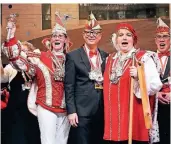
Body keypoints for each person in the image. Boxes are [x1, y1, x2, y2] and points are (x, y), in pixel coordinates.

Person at [1, 12, 72, 144]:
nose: (57, 38)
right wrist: (11, 33)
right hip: (46, 106)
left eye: (60, 36)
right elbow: (17, 60)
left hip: (66, 109)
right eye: (54, 35)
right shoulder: (40, 57)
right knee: (48, 141)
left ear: (66, 40)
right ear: (50, 40)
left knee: (62, 142)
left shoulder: (71, 59)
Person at [103, 23, 163, 144]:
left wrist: (139, 76)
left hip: (134, 119)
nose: (124, 38)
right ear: (117, 40)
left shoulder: (143, 58)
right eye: (120, 35)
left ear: (133, 40)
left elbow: (155, 85)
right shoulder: (109, 59)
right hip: (113, 120)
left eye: (128, 35)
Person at [64, 12, 108, 144]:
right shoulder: (73, 56)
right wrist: (71, 111)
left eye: (94, 33)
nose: (91, 35)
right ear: (83, 35)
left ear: (100, 36)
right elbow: (69, 86)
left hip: (102, 110)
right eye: (88, 33)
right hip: (81, 111)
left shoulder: (106, 56)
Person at [1, 41, 41, 144]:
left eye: (25, 51)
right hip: (16, 113)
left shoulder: (37, 68)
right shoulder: (11, 68)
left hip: (34, 112)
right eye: (20, 51)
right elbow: (1, 78)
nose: (22, 54)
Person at [155, 17, 170, 144]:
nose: (162, 39)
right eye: (159, 36)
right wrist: (156, 94)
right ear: (155, 40)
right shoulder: (148, 59)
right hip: (154, 108)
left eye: (165, 36)